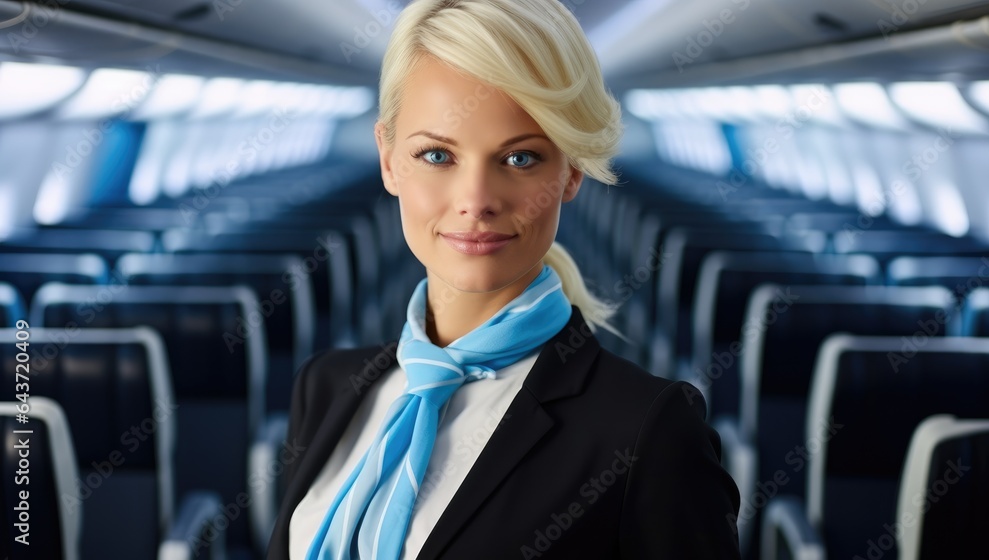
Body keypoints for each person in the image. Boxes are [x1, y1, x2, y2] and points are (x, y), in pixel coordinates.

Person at [267, 0, 740, 558]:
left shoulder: (650, 432)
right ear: (390, 160)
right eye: (438, 154)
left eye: (520, 160)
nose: (476, 202)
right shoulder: (325, 387)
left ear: (572, 172)